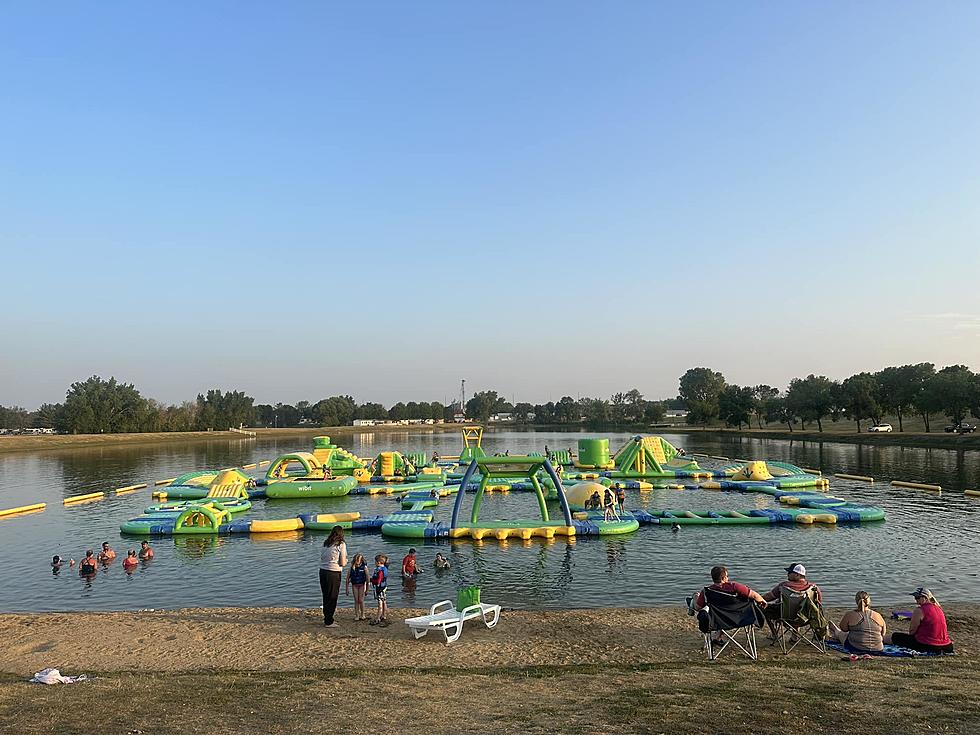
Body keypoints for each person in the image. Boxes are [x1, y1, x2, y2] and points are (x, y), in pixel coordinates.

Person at [886, 587, 954, 654]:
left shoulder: (919, 610)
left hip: (928, 645)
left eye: (918, 598)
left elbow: (912, 631)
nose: (916, 600)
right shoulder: (939, 609)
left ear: (925, 598)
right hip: (947, 646)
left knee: (896, 636)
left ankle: (879, 639)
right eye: (915, 598)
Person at [693, 566, 768, 611]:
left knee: (695, 596)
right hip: (737, 617)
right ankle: (718, 637)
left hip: (718, 619)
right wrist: (763, 601)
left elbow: (698, 607)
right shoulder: (735, 587)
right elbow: (754, 595)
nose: (728, 578)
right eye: (727, 576)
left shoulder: (707, 591)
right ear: (724, 578)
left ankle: (692, 600)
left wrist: (696, 597)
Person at [319, 526, 348, 628]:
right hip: (334, 572)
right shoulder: (341, 544)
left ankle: (327, 618)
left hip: (323, 571)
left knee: (326, 595)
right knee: (332, 596)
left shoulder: (325, 543)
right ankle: (329, 621)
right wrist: (347, 561)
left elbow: (322, 557)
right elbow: (343, 562)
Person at [345, 553, 369, 621]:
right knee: (356, 600)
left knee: (361, 600)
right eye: (356, 563)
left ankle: (363, 614)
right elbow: (347, 579)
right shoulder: (351, 568)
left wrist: (367, 589)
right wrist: (347, 589)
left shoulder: (364, 568)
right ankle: (357, 615)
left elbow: (368, 580)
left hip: (362, 585)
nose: (357, 565)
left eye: (358, 564)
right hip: (354, 585)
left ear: (361, 562)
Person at [370, 554, 389, 626]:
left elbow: (379, 580)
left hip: (380, 588)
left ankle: (378, 618)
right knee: (384, 601)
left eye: (375, 561)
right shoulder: (385, 568)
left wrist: (371, 580)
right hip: (384, 587)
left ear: (378, 562)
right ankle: (384, 615)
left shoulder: (380, 570)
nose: (374, 563)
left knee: (380, 603)